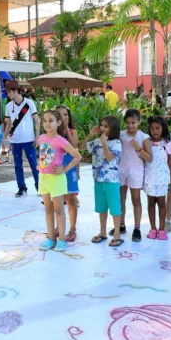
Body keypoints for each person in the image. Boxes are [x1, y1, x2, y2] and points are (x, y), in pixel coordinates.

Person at [36, 110, 82, 253]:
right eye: (44, 120)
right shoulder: (42, 138)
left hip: (57, 179)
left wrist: (65, 169)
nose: (47, 123)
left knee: (58, 210)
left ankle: (61, 238)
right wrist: (40, 164)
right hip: (44, 178)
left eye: (51, 120)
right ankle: (50, 237)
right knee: (48, 209)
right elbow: (43, 154)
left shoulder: (61, 140)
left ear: (58, 123)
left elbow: (77, 156)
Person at [85, 116, 124, 247]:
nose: (102, 128)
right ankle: (102, 232)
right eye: (101, 125)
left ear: (113, 129)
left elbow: (109, 157)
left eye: (106, 126)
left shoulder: (116, 143)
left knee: (114, 207)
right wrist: (91, 134)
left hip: (111, 180)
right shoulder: (97, 141)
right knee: (101, 207)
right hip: (98, 179)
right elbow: (80, 146)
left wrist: (104, 143)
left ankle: (117, 234)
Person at [116, 109, 151, 242]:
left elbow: (149, 158)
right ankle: (121, 224)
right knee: (120, 200)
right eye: (127, 123)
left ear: (139, 122)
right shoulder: (121, 135)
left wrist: (139, 148)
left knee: (136, 200)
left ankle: (137, 228)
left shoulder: (143, 137)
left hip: (136, 172)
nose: (130, 126)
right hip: (121, 171)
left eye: (133, 123)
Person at [3, 80, 40, 197]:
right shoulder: (8, 106)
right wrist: (4, 138)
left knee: (34, 164)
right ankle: (22, 187)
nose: (7, 94)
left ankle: (40, 187)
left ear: (15, 91)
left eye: (8, 92)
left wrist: (37, 136)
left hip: (29, 139)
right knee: (18, 165)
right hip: (15, 140)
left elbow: (37, 120)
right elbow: (9, 123)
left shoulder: (29, 103)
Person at [144, 116, 171, 240]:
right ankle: (152, 228)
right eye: (152, 128)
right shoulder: (147, 143)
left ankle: (161, 229)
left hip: (162, 179)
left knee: (161, 203)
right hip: (150, 178)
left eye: (157, 128)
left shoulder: (167, 143)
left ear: (163, 128)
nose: (155, 131)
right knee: (151, 203)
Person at [56, 105, 80, 242]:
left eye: (65, 114)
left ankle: (72, 229)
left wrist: (66, 131)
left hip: (69, 170)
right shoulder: (52, 134)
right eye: (60, 115)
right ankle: (58, 226)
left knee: (71, 200)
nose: (63, 117)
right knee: (57, 201)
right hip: (56, 171)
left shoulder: (73, 131)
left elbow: (74, 146)